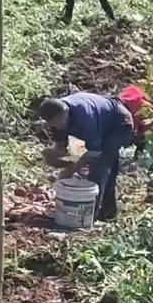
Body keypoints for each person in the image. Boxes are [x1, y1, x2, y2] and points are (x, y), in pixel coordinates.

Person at [39, 92, 134, 221]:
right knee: (100, 168)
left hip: (119, 124)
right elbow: (59, 144)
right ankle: (108, 212)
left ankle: (89, 217)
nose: (57, 126)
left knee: (100, 167)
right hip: (101, 121)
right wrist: (53, 155)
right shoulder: (55, 113)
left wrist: (70, 170)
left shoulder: (85, 117)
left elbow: (94, 152)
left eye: (58, 123)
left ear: (66, 112)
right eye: (53, 124)